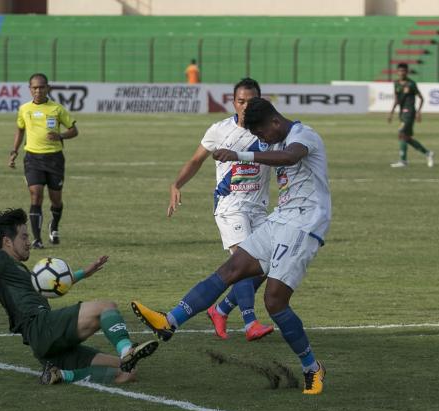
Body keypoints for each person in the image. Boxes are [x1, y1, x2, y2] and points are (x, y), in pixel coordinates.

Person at [132, 97, 330, 395]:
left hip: (305, 224)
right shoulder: (274, 138)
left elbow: (290, 157)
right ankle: (169, 321)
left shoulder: (304, 135)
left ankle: (312, 368)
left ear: (275, 122)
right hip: (280, 218)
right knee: (233, 267)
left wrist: (241, 153)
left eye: (262, 133)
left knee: (275, 301)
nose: (262, 139)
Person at [0, 208, 158, 385]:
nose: (28, 241)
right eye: (23, 236)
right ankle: (127, 350)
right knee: (105, 306)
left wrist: (83, 273)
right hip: (41, 327)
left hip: (45, 344)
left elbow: (50, 285)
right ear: (7, 242)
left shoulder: (19, 270)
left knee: (127, 372)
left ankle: (62, 374)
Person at [168, 78, 274, 341]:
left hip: (259, 208)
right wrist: (176, 184)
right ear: (233, 102)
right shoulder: (219, 130)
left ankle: (221, 309)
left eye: (251, 101)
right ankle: (250, 322)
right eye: (241, 101)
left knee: (266, 266)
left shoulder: (270, 131)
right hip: (230, 206)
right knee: (242, 260)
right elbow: (196, 160)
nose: (246, 107)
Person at [8, 73, 78, 249]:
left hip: (54, 159)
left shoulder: (57, 109)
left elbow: (74, 130)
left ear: (48, 88)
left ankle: (53, 225)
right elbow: (20, 130)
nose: (38, 90)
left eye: (41, 87)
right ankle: (37, 239)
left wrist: (60, 135)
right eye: (34, 87)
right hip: (32, 158)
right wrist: (14, 151)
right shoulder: (24, 109)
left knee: (56, 200)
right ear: (30, 89)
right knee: (36, 195)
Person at [388, 63, 434, 168]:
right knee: (406, 138)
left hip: (409, 112)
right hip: (401, 113)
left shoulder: (411, 84)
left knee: (401, 133)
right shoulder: (396, 83)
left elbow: (421, 98)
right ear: (397, 72)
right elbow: (396, 99)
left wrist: (418, 112)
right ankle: (428, 153)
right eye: (400, 71)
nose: (402, 73)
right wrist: (391, 113)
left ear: (407, 72)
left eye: (404, 71)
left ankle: (403, 161)